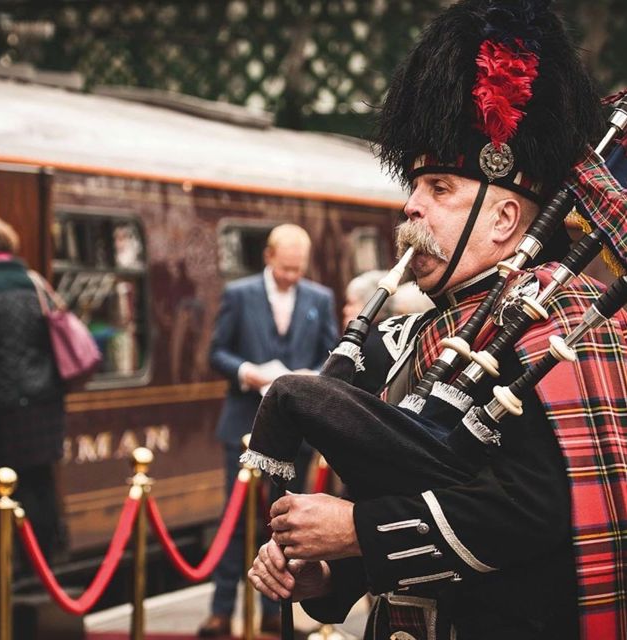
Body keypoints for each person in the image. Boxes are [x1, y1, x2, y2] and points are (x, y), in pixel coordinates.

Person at [247, 2, 627, 639]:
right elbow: (405, 491)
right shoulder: (422, 332)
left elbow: (539, 509)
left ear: (506, 219)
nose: (412, 207)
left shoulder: (559, 320)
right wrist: (330, 571)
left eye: (441, 189)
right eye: (415, 187)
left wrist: (354, 531)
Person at [200, 223, 339, 637]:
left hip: (296, 431)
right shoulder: (238, 295)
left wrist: (307, 378)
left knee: (284, 525)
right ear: (268, 257)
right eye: (285, 269)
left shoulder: (320, 297)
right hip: (243, 423)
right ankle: (221, 609)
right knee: (234, 518)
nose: (292, 277)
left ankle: (274, 611)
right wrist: (250, 373)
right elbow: (216, 352)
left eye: (298, 270)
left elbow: (333, 357)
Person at [0, 215, 66, 564]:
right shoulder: (32, 280)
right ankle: (49, 555)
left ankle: (22, 560)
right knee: (42, 480)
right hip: (45, 396)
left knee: (13, 482)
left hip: (4, 400)